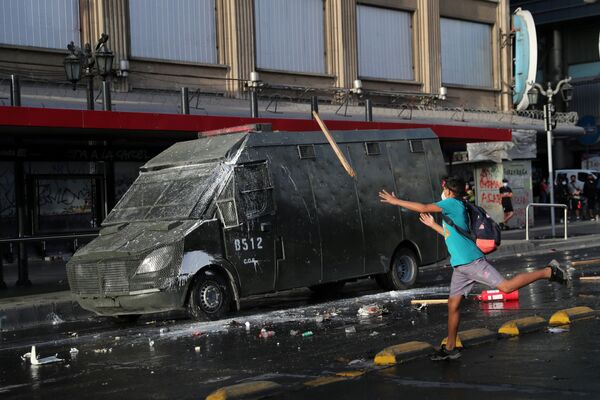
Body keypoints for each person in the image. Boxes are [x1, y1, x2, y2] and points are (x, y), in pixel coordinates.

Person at [378, 176, 568, 361]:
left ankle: (549, 271)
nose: (442, 192)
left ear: (450, 191)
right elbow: (450, 234)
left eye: (444, 189)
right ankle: (451, 347)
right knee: (453, 305)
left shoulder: (452, 204)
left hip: (472, 262)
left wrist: (395, 201)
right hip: (461, 267)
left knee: (507, 287)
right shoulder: (455, 207)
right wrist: (433, 225)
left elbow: (423, 207)